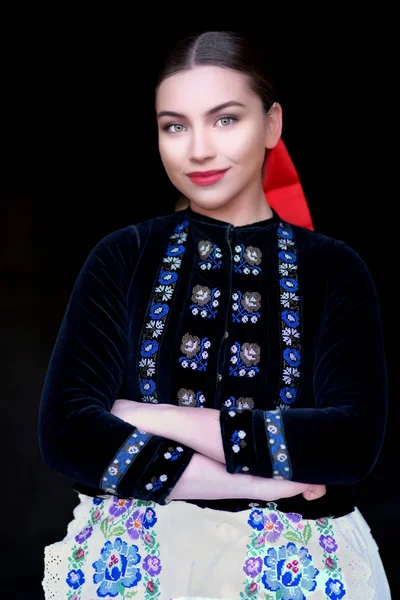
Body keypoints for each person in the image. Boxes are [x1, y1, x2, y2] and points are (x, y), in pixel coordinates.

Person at [39, 30, 391, 599]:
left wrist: (149, 415)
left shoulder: (333, 269)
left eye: (225, 119)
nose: (197, 149)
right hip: (133, 571)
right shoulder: (123, 255)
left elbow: (350, 443)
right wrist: (272, 481)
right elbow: (66, 433)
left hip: (300, 571)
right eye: (174, 125)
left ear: (272, 124)